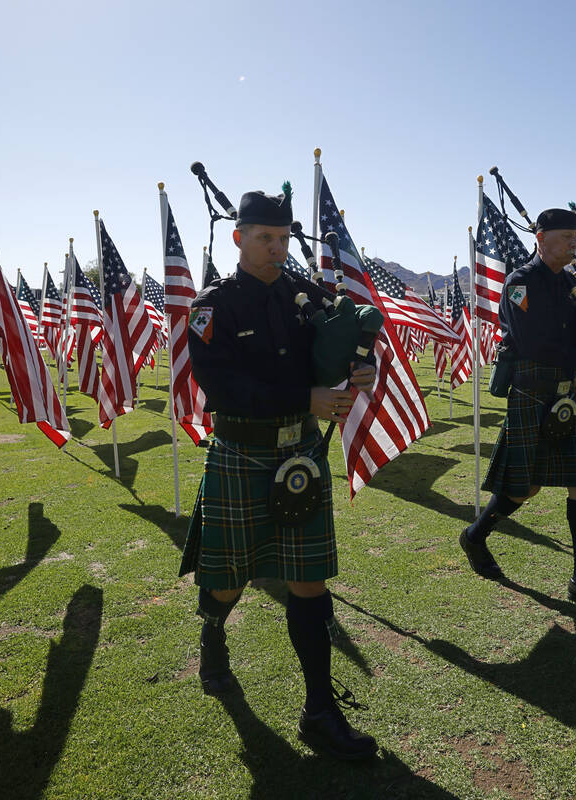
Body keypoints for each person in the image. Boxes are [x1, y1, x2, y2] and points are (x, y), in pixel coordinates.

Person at [183, 187, 378, 760]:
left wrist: (361, 360)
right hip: (243, 452)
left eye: (283, 238)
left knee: (308, 580)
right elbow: (221, 388)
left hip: (301, 455)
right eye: (264, 238)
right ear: (239, 237)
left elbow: (356, 324)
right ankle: (213, 632)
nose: (275, 248)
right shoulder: (213, 306)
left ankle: (320, 709)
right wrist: (305, 394)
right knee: (230, 581)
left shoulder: (304, 292)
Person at [459, 207, 576, 614]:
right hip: (532, 391)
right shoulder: (520, 283)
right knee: (525, 488)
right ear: (541, 238)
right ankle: (475, 535)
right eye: (566, 236)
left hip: (563, 393)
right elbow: (533, 342)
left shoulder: (575, 283)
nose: (574, 242)